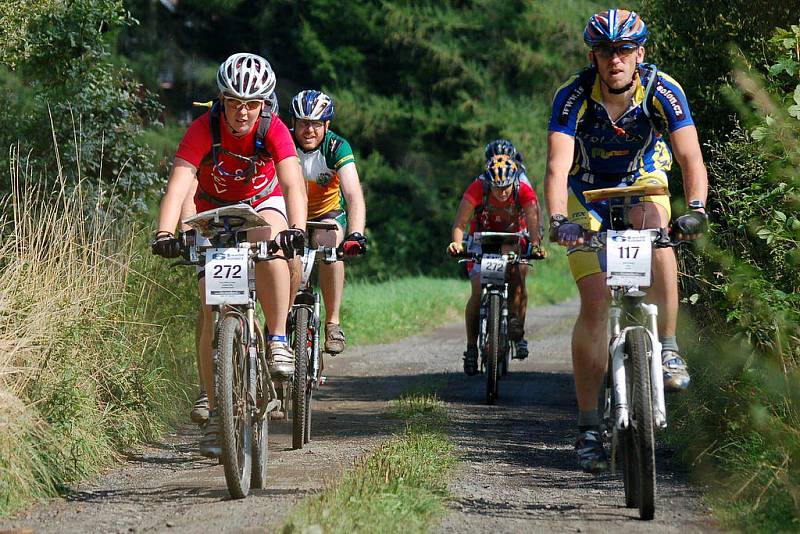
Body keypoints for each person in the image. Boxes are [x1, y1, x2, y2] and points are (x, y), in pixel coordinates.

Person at [544, 9, 709, 473]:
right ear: (593, 55)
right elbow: (557, 167)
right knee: (595, 303)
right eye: (604, 51)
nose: (614, 59)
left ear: (639, 53)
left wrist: (695, 208)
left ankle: (670, 347)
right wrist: (559, 220)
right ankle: (589, 427)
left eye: (623, 50)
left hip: (643, 184)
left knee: (659, 237)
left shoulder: (663, 89)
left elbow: (690, 155)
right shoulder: (572, 95)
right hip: (587, 195)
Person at [151, 53, 307, 457]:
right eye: (235, 101)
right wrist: (166, 232)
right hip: (214, 208)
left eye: (252, 103)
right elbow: (179, 184)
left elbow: (292, 185)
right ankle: (217, 405)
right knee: (209, 305)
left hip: (262, 200)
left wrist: (296, 230)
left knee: (273, 249)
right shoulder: (204, 129)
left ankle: (275, 339)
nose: (242, 111)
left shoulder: (274, 129)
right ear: (222, 99)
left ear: (265, 104)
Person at [448, 155, 544, 375]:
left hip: (511, 238)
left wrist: (536, 244)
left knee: (518, 273)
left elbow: (533, 222)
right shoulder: (477, 188)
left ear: (514, 182)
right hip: (481, 239)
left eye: (506, 188)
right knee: (477, 286)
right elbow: (460, 223)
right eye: (496, 187)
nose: (502, 193)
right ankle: (471, 348)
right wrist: (456, 242)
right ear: (488, 182)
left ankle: (515, 324)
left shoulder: (524, 191)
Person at [290, 90, 367, 354]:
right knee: (281, 255)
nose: (308, 130)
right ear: (294, 123)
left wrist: (356, 234)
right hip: (291, 214)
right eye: (303, 123)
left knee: (330, 247)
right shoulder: (285, 143)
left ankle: (333, 323)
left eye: (315, 123)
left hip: (327, 214)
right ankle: (278, 322)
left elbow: (353, 194)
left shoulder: (337, 147)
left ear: (327, 125)